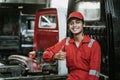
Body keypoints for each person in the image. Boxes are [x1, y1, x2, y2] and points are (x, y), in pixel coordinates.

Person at [42, 12, 101, 80]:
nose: (74, 25)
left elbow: (94, 72)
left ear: (83, 24)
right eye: (71, 23)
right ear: (69, 26)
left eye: (77, 22)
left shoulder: (93, 44)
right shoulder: (66, 42)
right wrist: (54, 56)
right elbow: (45, 55)